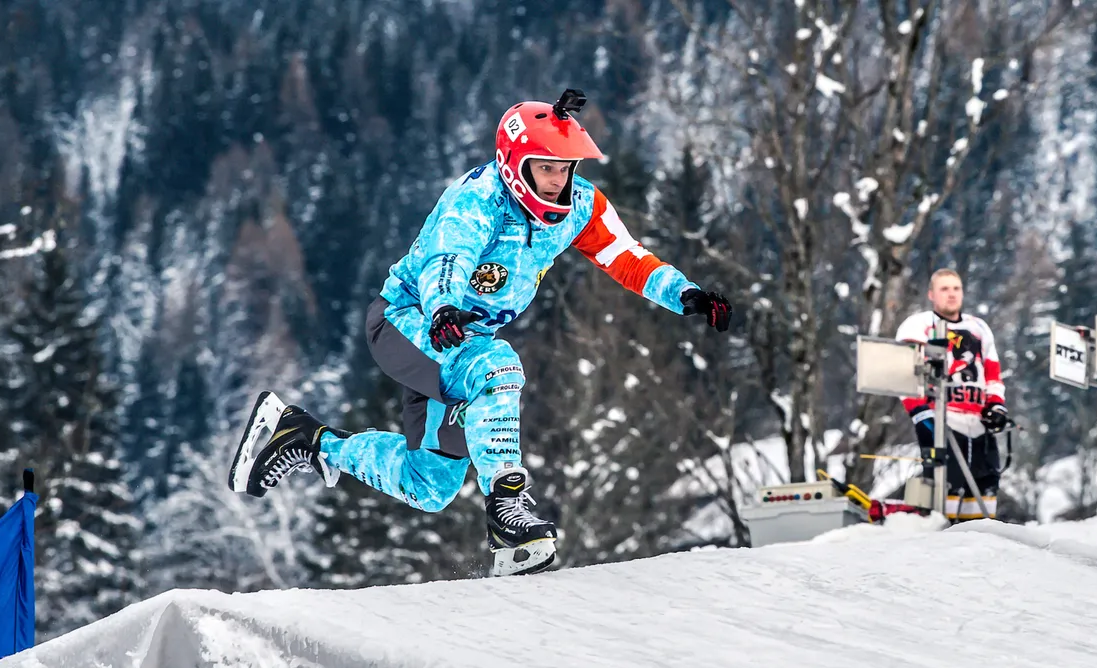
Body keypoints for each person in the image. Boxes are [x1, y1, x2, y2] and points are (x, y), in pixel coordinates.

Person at [227, 89, 733, 576]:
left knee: (428, 485)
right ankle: (508, 510)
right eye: (546, 168)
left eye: (565, 167)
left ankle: (305, 438)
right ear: (515, 165)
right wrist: (444, 307)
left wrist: (683, 293)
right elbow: (450, 255)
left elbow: (624, 255)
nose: (558, 180)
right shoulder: (478, 200)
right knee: (498, 367)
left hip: (457, 344)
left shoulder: (580, 206)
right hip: (410, 322)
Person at [895, 269, 1010, 522]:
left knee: (986, 491)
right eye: (944, 289)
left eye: (956, 288)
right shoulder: (917, 324)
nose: (951, 294)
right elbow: (904, 373)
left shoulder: (979, 327)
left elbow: (992, 373)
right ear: (931, 294)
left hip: (979, 424)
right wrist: (920, 414)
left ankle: (980, 549)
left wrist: (997, 406)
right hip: (942, 422)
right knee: (946, 493)